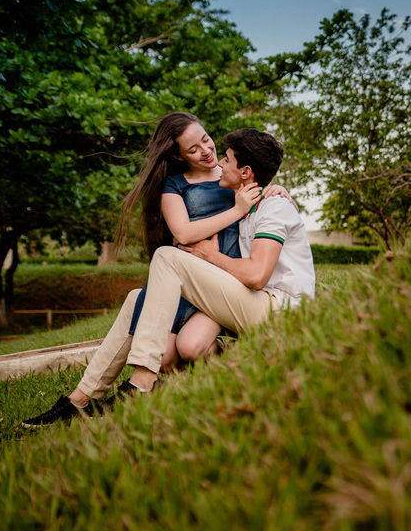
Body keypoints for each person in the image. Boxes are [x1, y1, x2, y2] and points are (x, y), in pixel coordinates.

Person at [22, 117, 291, 427]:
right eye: (193, 149)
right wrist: (236, 211)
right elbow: (183, 233)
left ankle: (141, 382)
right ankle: (81, 399)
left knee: (179, 339)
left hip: (223, 284)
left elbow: (261, 186)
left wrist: (275, 188)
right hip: (190, 280)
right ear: (178, 156)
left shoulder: (233, 173)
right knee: (150, 325)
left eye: (206, 139)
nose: (207, 150)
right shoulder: (175, 185)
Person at [118, 127, 314, 398]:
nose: (218, 162)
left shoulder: (274, 206)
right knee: (189, 347)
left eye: (227, 159)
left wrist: (210, 255)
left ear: (245, 172)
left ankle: (140, 382)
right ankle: (233, 353)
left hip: (283, 310)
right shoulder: (246, 208)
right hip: (254, 301)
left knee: (167, 257)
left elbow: (257, 275)